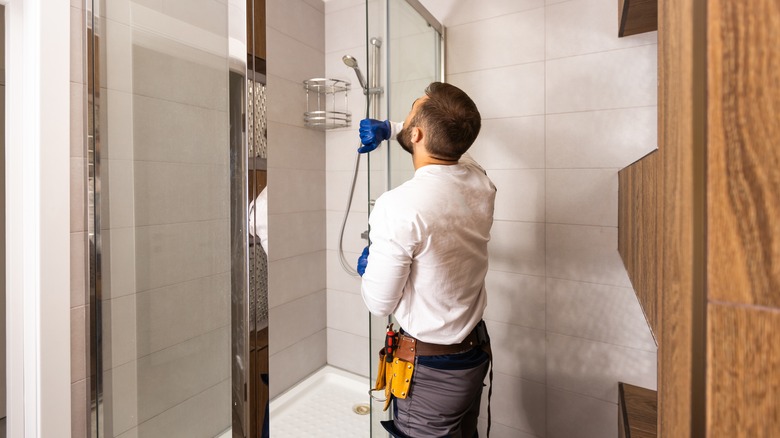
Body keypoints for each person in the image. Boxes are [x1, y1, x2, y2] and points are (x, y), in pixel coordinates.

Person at [357, 82, 496, 438]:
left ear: (417, 133)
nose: (403, 121)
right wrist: (394, 130)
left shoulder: (399, 204)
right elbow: (456, 149)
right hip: (471, 355)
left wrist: (370, 267)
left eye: (409, 115)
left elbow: (379, 302)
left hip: (431, 372)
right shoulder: (480, 182)